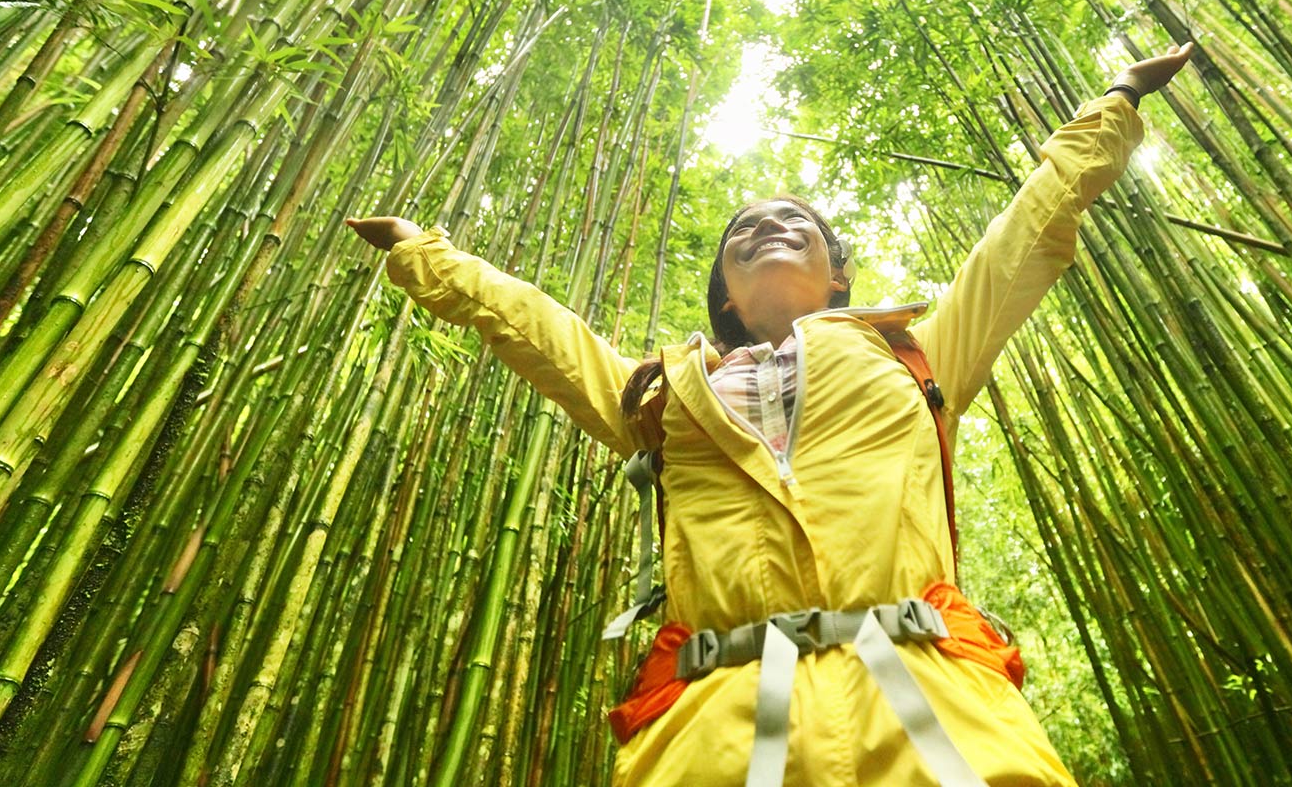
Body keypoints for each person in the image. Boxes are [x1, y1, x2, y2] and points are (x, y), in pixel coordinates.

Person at [347, 43, 1194, 787]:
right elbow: (536, 326)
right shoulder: (658, 395)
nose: (770, 227)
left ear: (837, 276)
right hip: (719, 728)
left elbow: (1031, 228)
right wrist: (425, 254)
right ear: (723, 288)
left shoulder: (921, 353)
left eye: (798, 222)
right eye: (744, 229)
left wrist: (1115, 103)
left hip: (935, 708)